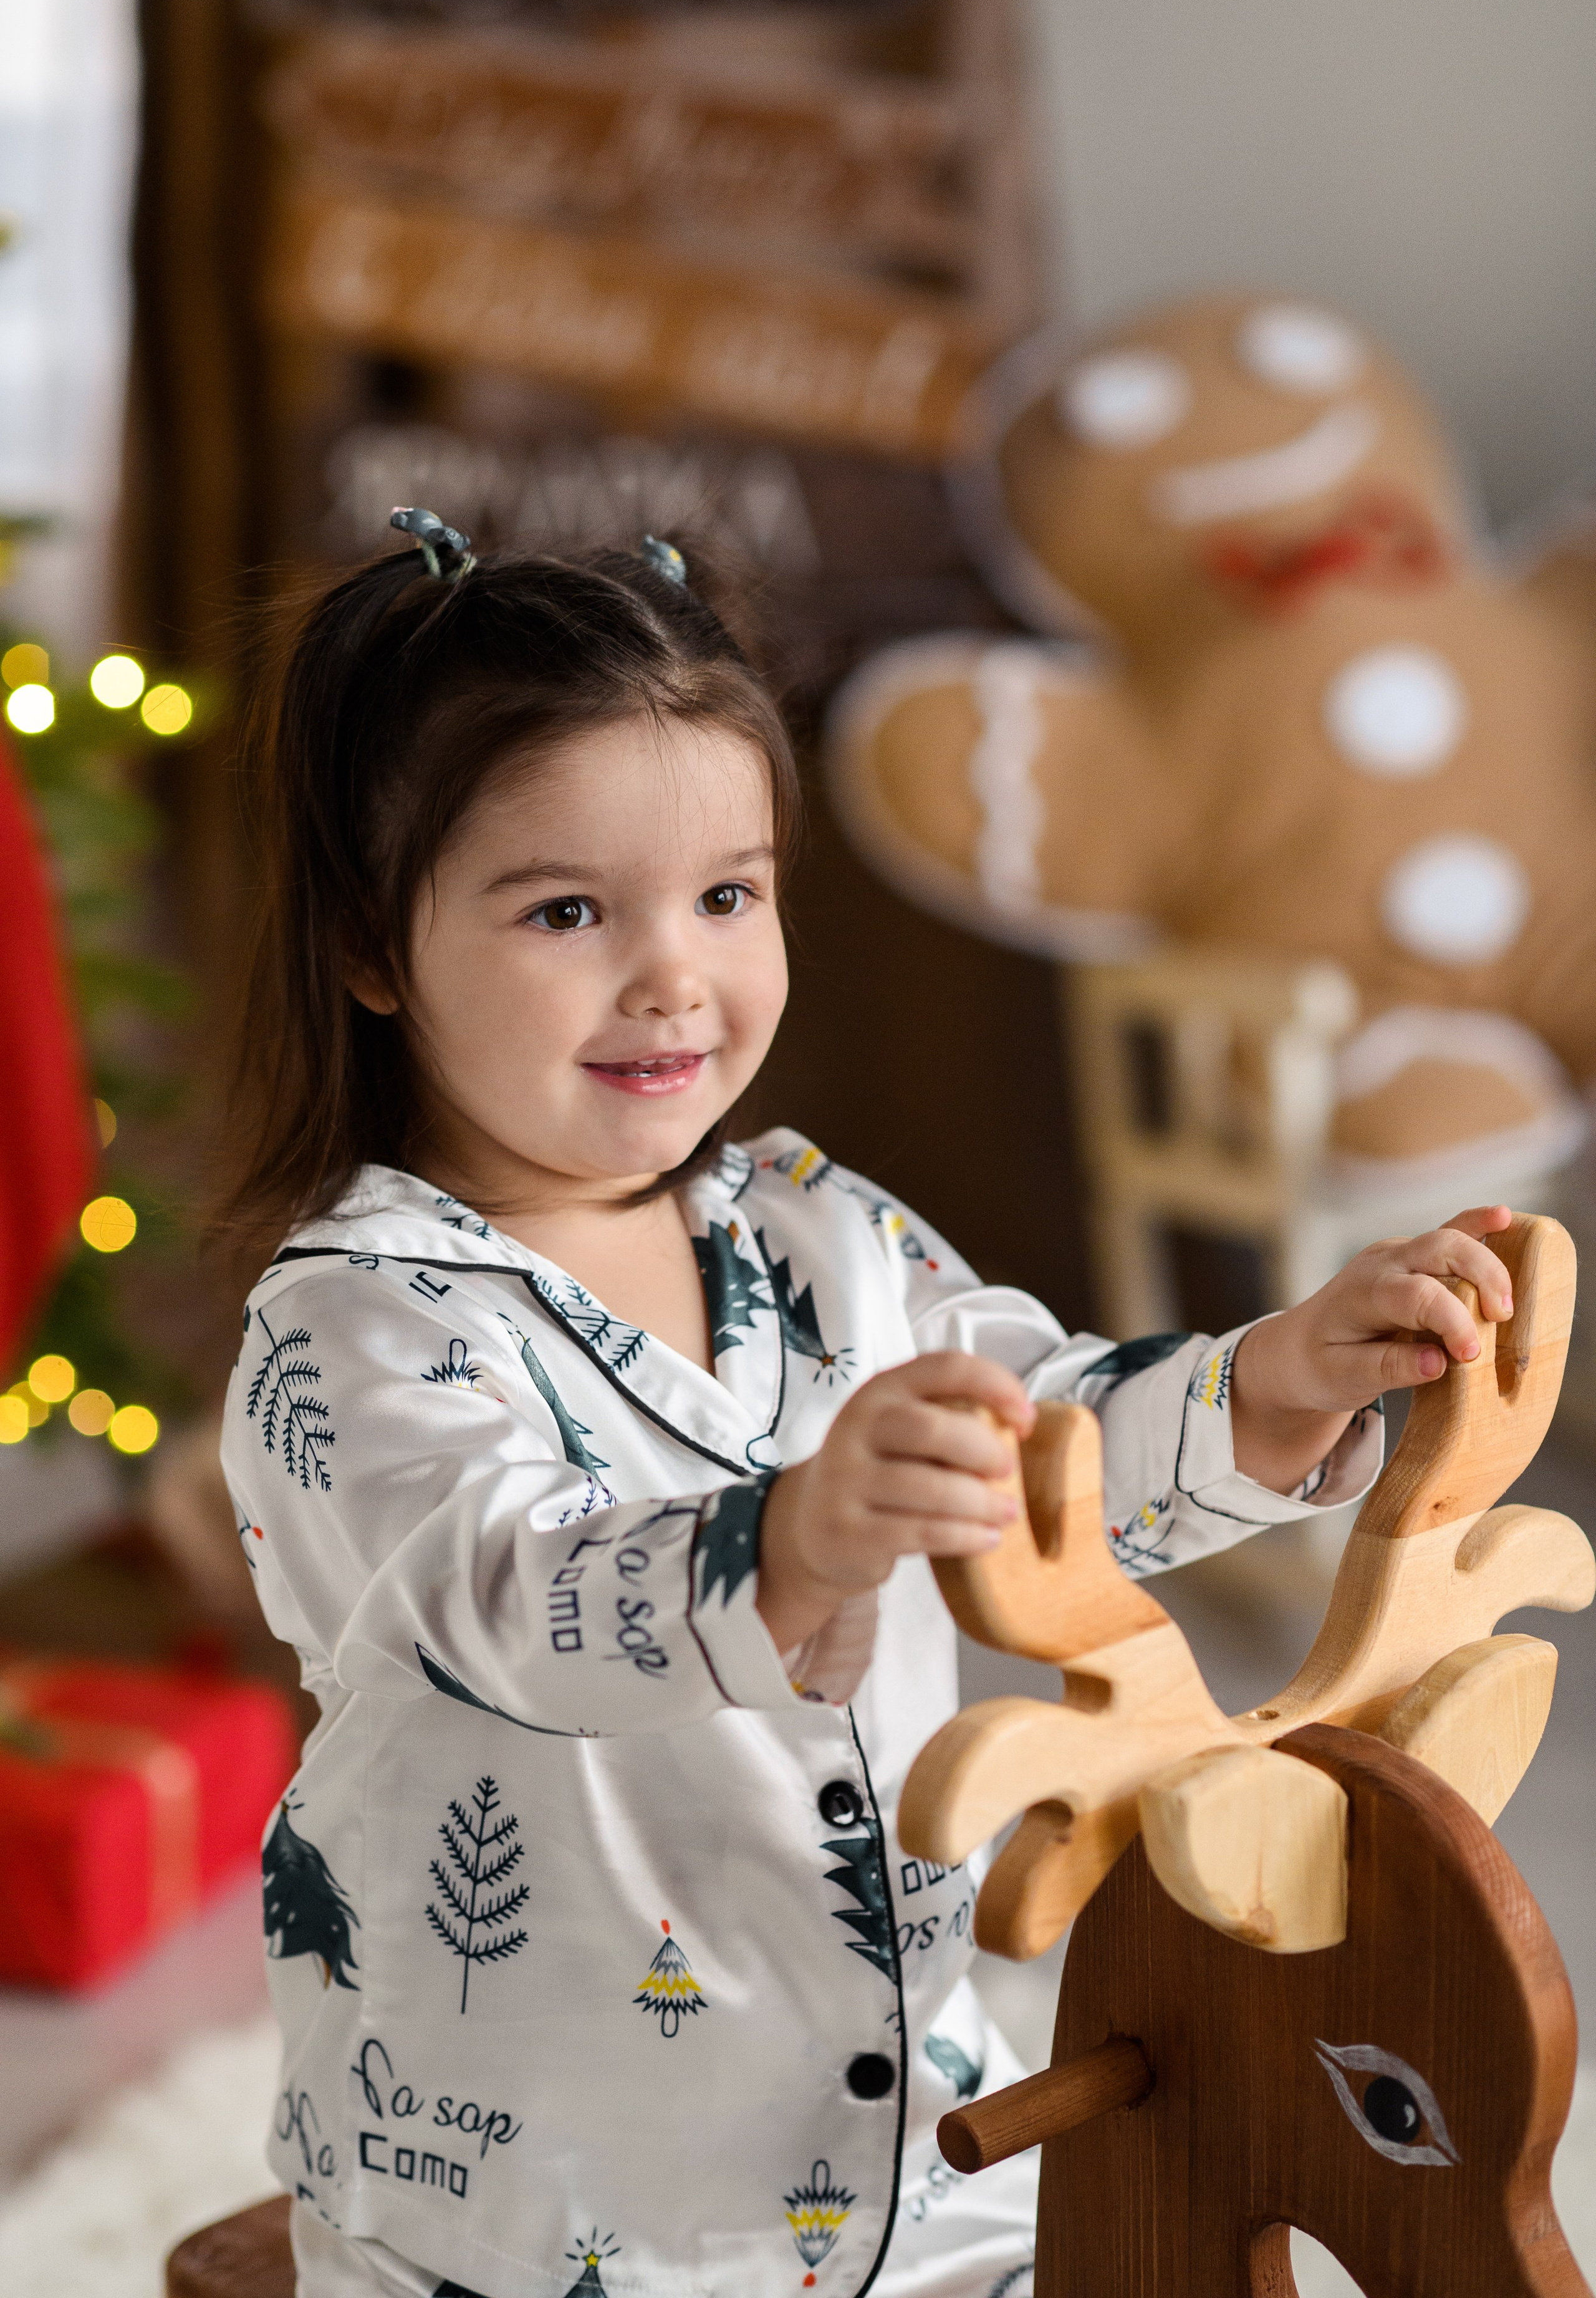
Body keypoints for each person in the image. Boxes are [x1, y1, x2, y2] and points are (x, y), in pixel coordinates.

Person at [218, 516, 1516, 2298]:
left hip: (914, 2147)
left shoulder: (825, 1231)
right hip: (541, 2211)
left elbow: (1054, 1441)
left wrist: (1274, 1379)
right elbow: (507, 1594)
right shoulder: (351, 1326)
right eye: (568, 911)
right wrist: (791, 1544)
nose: (674, 976)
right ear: (377, 947)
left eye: (728, 896)